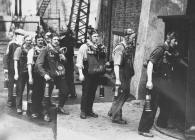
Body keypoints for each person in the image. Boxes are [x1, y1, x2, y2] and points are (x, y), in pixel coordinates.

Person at [138, 32, 188, 137]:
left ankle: (162, 122)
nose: (177, 43)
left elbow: (178, 60)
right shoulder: (160, 49)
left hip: (164, 82)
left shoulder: (170, 51)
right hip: (155, 81)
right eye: (175, 41)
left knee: (166, 104)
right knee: (151, 105)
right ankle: (143, 129)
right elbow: (150, 63)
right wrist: (149, 81)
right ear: (169, 39)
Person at [35, 34, 70, 120]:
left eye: (58, 39)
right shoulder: (45, 50)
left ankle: (60, 107)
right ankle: (45, 113)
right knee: (46, 96)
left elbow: (65, 63)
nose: (56, 41)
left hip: (59, 75)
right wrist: (44, 74)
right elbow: (38, 64)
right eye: (54, 39)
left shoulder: (59, 50)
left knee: (65, 91)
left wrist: (64, 58)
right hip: (49, 76)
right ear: (51, 40)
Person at [76, 30, 107, 119]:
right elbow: (79, 61)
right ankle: (83, 111)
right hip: (87, 73)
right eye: (94, 36)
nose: (96, 38)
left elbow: (102, 59)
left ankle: (89, 110)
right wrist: (81, 74)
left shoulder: (100, 47)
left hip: (96, 73)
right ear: (90, 37)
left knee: (93, 92)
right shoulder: (84, 47)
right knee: (86, 92)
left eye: (97, 36)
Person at [108, 28, 136, 124]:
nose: (133, 40)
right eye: (132, 38)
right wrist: (118, 79)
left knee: (124, 94)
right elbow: (116, 64)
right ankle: (116, 117)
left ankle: (112, 111)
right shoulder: (120, 48)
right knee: (120, 95)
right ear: (127, 37)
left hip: (125, 75)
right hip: (120, 74)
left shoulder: (127, 47)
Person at [3, 29, 25, 107]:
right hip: (11, 68)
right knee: (11, 85)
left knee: (19, 86)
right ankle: (10, 100)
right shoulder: (11, 44)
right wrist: (5, 67)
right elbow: (6, 56)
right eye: (20, 35)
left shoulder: (23, 44)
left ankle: (18, 101)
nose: (22, 37)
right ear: (16, 35)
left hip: (21, 68)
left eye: (22, 35)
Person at [27, 34, 45, 119]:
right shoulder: (32, 51)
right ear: (36, 41)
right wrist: (30, 77)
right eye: (39, 40)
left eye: (42, 40)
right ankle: (33, 111)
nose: (40, 42)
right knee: (35, 93)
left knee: (42, 92)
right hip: (35, 75)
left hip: (44, 75)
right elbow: (30, 65)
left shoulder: (45, 50)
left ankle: (39, 109)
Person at [14, 35, 33, 114]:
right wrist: (16, 73)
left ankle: (29, 108)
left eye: (30, 40)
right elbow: (15, 61)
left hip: (30, 73)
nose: (29, 41)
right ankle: (19, 107)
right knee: (20, 90)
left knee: (30, 91)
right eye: (27, 40)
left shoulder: (32, 49)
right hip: (21, 72)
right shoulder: (19, 49)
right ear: (24, 40)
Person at [59, 29, 77, 98]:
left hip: (64, 61)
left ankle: (64, 94)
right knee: (70, 78)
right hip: (70, 61)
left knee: (64, 78)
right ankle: (73, 93)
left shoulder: (63, 40)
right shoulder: (71, 39)